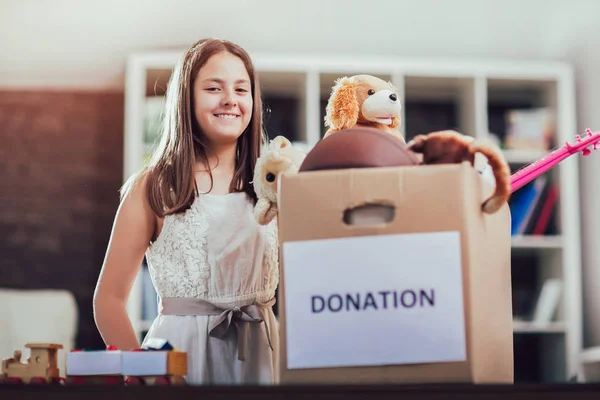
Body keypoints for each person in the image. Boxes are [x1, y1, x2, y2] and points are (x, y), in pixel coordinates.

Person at [93, 38, 280, 385]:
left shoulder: (275, 185)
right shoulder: (151, 187)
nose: (230, 100)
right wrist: (142, 375)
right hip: (178, 362)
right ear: (186, 98)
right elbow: (109, 298)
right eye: (214, 88)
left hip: (262, 358)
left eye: (242, 89)